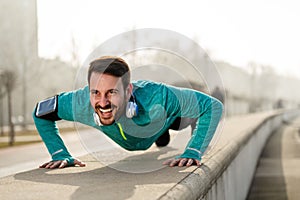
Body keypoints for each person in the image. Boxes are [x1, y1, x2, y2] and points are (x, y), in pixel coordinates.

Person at [33, 56, 223, 169]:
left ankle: (165, 128)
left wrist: (194, 149)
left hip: (164, 118)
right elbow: (40, 113)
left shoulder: (158, 95)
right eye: (95, 93)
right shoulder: (80, 102)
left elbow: (213, 106)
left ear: (128, 90)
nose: (103, 102)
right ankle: (160, 134)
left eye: (112, 92)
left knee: (177, 118)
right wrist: (59, 154)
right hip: (140, 133)